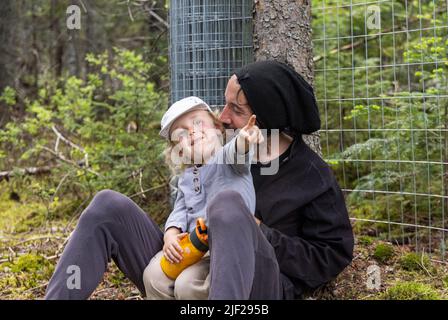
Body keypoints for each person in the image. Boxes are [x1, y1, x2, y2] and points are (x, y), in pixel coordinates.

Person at [45, 60, 353, 300]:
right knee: (107, 205)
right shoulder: (211, 151)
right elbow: (186, 198)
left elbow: (331, 255)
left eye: (236, 109)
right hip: (184, 267)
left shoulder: (311, 176)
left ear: (264, 117)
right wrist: (172, 234)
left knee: (227, 205)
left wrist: (257, 232)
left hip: (257, 289)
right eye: (224, 104)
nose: (222, 117)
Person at [143, 96, 263, 299]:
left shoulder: (226, 159)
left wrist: (244, 140)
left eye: (198, 122)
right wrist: (170, 234)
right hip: (197, 249)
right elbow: (180, 210)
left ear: (217, 127)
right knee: (153, 276)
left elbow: (238, 153)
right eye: (181, 133)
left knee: (187, 286)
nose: (192, 131)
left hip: (229, 246)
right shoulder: (186, 178)